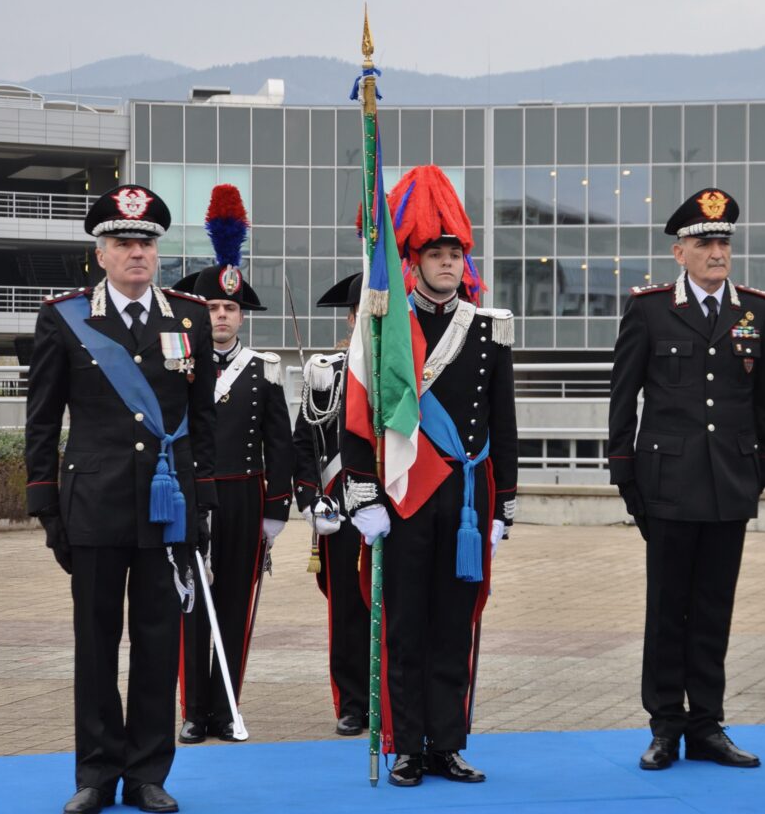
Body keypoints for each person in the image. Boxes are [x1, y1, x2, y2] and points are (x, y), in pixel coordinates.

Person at [25, 185, 217, 814]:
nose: (137, 253)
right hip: (96, 505)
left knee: (160, 644)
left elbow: (204, 420)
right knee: (96, 642)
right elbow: (43, 421)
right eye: (123, 243)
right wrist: (48, 509)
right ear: (100, 254)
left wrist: (204, 504)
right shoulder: (64, 317)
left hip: (169, 509)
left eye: (146, 243)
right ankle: (96, 773)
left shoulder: (188, 317)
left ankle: (146, 774)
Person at [341, 164, 518, 788]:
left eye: (454, 254)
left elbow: (505, 422)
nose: (446, 263)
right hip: (405, 499)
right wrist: (362, 492)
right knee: (405, 627)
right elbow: (358, 417)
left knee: (453, 626)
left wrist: (505, 506)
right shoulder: (385, 326)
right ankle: (406, 744)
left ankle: (448, 742)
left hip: (467, 500)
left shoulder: (489, 330)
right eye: (434, 253)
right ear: (411, 261)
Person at [608, 187, 765, 771]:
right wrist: (625, 476)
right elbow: (624, 396)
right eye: (705, 242)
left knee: (713, 609)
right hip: (668, 482)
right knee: (667, 609)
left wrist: (762, 473)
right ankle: (665, 725)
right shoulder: (651, 308)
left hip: (730, 482)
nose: (717, 252)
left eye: (724, 242)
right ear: (679, 251)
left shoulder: (755, 309)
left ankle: (707, 723)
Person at [170, 186, 294, 744]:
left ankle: (226, 707)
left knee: (234, 603)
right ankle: (194, 711)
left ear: (243, 316)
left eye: (230, 308)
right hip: (194, 497)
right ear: (200, 312)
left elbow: (280, 443)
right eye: (214, 307)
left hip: (244, 499)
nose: (221, 316)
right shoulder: (179, 365)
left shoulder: (264, 369)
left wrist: (276, 510)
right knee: (190, 604)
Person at [292, 272, 371, 738]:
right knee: (346, 610)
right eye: (363, 314)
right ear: (350, 317)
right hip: (339, 509)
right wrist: (309, 501)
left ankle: (395, 698)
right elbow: (304, 443)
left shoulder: (408, 370)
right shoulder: (326, 371)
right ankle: (352, 704)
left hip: (398, 509)